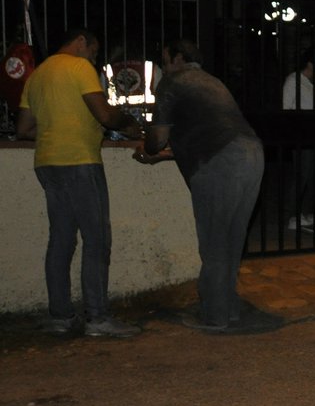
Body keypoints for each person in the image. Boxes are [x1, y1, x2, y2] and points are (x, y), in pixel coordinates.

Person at [16, 28, 143, 337]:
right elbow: (104, 115)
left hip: (48, 163)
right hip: (80, 162)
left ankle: (60, 317)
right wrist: (130, 123)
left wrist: (55, 131)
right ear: (81, 41)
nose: (94, 58)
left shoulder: (38, 75)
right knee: (97, 239)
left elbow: (24, 128)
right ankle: (98, 319)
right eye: (94, 51)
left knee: (60, 240)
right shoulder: (78, 66)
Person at [133, 40, 267, 332]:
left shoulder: (172, 81)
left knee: (214, 241)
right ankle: (228, 308)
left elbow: (157, 139)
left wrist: (146, 145)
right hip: (252, 154)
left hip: (220, 160)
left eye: (166, 60)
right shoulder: (212, 81)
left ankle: (214, 315)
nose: (164, 66)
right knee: (232, 238)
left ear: (178, 59)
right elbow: (204, 128)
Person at [281, 50, 315, 236]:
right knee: (302, 175)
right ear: (310, 64)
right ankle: (292, 214)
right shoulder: (293, 81)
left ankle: (308, 213)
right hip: (301, 136)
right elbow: (286, 108)